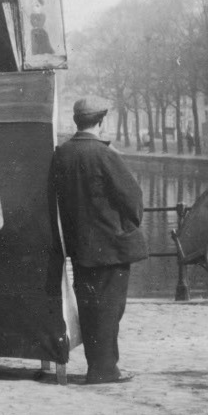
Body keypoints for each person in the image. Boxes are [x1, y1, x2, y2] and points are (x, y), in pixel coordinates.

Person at [50, 97, 148, 385]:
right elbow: (133, 199)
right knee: (110, 308)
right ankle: (104, 370)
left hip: (79, 247)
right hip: (111, 246)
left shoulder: (61, 154)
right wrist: (126, 225)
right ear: (101, 121)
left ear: (76, 121)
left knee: (90, 307)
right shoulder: (105, 155)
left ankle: (98, 366)